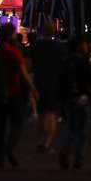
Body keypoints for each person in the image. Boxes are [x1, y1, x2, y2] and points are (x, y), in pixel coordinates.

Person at [0, 23, 38, 168]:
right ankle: (9, 149)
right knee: (17, 123)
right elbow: (24, 74)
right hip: (13, 92)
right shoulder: (14, 52)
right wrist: (34, 91)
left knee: (0, 126)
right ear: (11, 35)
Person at [58, 36, 91, 170]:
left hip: (69, 98)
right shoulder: (84, 62)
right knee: (83, 130)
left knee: (71, 127)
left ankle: (65, 151)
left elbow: (61, 81)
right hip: (82, 97)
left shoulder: (65, 62)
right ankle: (78, 159)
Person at [29, 23, 66, 154]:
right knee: (51, 114)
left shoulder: (36, 46)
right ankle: (47, 143)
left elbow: (30, 64)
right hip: (53, 83)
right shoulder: (58, 47)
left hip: (39, 82)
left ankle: (40, 140)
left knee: (41, 114)